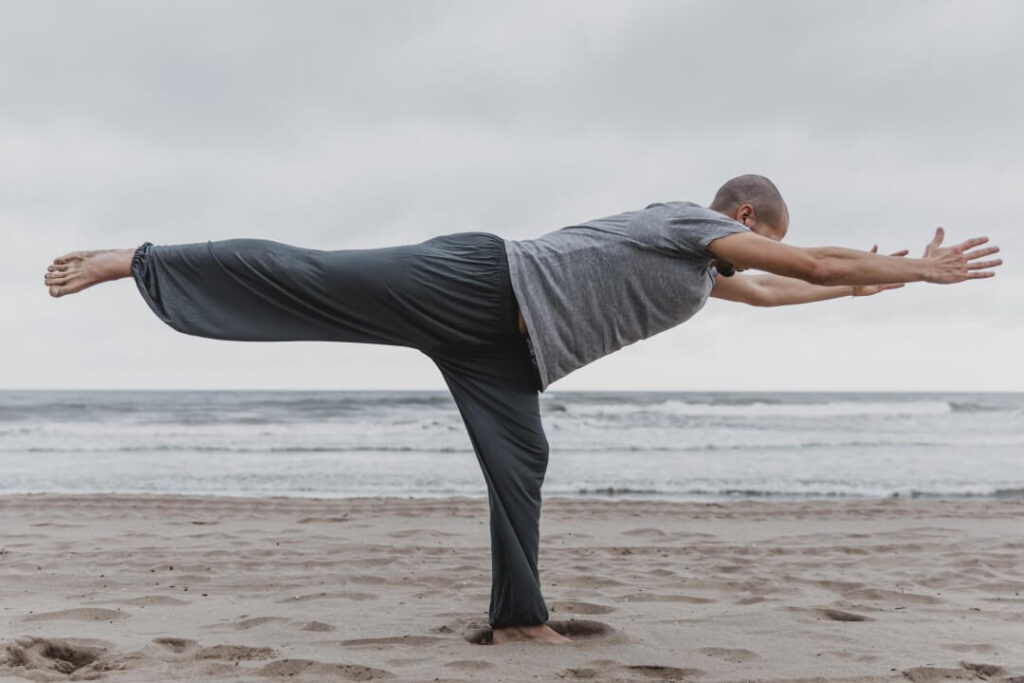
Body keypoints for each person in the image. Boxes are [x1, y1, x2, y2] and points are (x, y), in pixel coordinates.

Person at [42, 175, 1001, 645]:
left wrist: (871, 289)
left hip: (509, 352)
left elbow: (798, 287)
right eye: (757, 246)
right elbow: (813, 261)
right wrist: (913, 266)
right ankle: (138, 259)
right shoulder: (686, 223)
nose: (750, 260)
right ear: (743, 221)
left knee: (522, 468)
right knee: (311, 271)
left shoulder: (709, 276)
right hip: (475, 277)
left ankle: (517, 620)